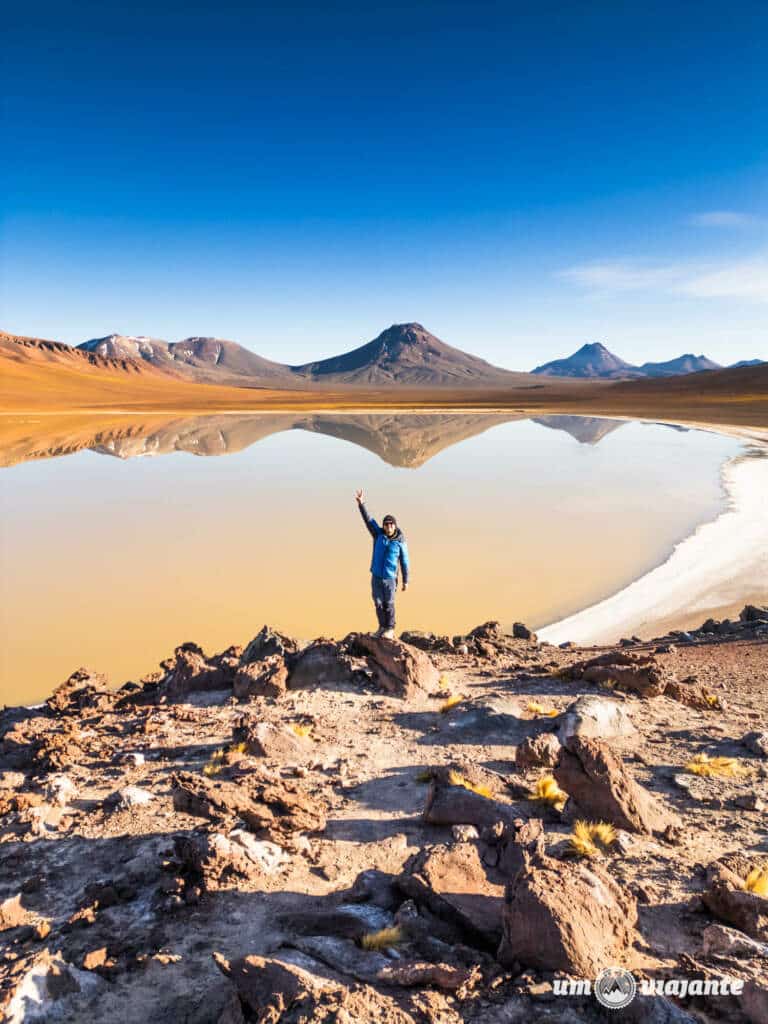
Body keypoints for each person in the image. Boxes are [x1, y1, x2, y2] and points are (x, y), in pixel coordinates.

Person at [355, 490, 409, 639]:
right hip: (376, 577)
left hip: (390, 579)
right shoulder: (378, 534)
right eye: (386, 524)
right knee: (378, 604)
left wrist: (405, 580)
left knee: (389, 604)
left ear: (395, 526)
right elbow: (368, 520)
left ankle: (390, 629)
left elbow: (404, 562)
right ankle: (382, 627)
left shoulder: (400, 542)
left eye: (391, 524)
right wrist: (361, 504)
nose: (388, 526)